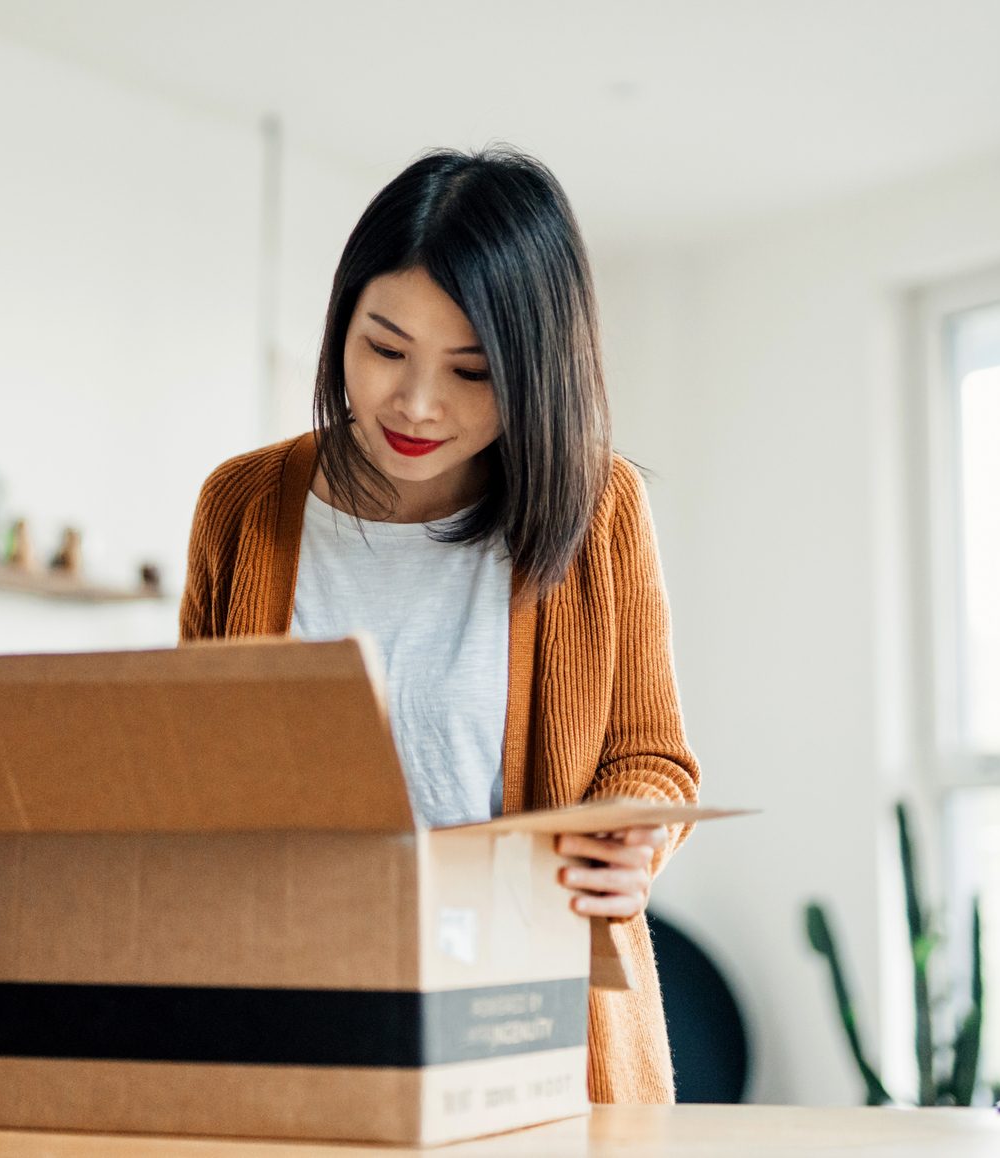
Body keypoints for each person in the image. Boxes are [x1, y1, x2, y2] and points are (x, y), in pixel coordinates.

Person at [177, 144, 700, 1103]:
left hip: (531, 1027)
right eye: (383, 348)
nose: (417, 404)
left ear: (537, 372)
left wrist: (628, 848)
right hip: (299, 1017)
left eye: (472, 370)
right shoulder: (244, 508)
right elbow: (197, 766)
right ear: (340, 324)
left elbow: (651, 760)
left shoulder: (598, 508)